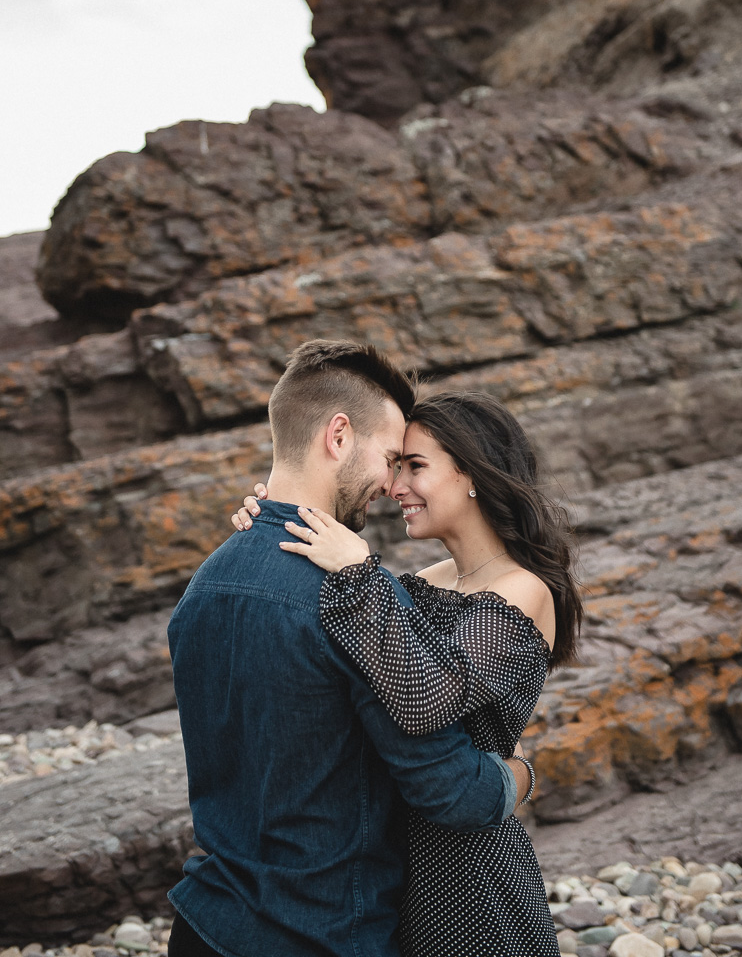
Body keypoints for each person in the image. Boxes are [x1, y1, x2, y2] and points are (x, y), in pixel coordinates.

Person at [167, 340, 531, 957]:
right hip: (322, 933)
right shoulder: (358, 601)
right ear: (338, 437)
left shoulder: (206, 583)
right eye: (391, 457)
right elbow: (449, 790)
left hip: (205, 924)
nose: (391, 485)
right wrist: (521, 772)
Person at [233, 389, 583, 957]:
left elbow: (425, 699)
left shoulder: (524, 590)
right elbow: (361, 651)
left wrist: (358, 570)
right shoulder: (426, 580)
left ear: (474, 474)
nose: (396, 487)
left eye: (414, 466)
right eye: (394, 466)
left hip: (469, 879)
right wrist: (274, 515)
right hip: (385, 864)